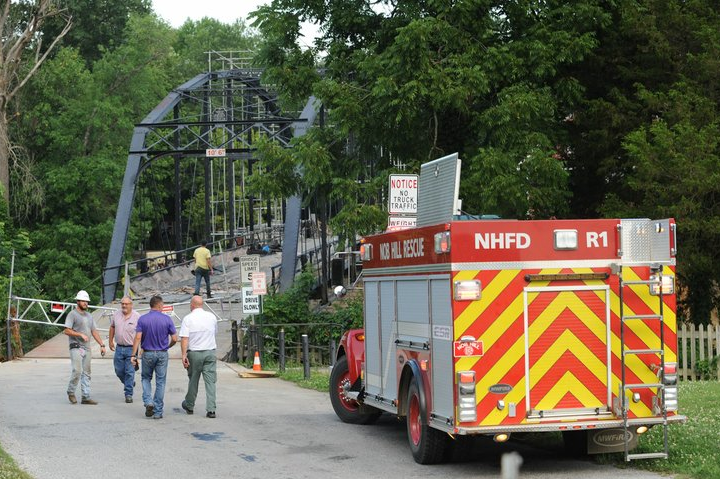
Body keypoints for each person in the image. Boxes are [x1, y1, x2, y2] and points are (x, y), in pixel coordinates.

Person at [131, 295, 177, 419]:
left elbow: (138, 337)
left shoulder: (143, 319)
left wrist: (133, 355)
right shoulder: (167, 319)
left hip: (147, 353)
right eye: (162, 306)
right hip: (162, 353)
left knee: (146, 378)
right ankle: (157, 412)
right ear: (159, 305)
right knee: (160, 382)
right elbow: (175, 338)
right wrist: (168, 346)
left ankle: (148, 402)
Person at [64, 290, 105, 405]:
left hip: (87, 348)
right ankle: (71, 391)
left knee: (87, 372)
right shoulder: (72, 314)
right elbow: (66, 330)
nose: (86, 303)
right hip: (75, 346)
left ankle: (85, 397)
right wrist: (79, 334)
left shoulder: (89, 316)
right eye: (83, 301)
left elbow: (94, 331)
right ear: (78, 301)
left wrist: (102, 344)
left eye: (87, 301)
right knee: (77, 370)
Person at [180, 295, 218, 418]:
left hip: (194, 353)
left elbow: (185, 338)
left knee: (193, 380)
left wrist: (184, 355)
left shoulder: (188, 319)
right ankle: (211, 409)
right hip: (210, 352)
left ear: (192, 305)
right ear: (202, 304)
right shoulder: (212, 317)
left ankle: (190, 405)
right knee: (210, 382)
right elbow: (214, 332)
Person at [109, 296, 140, 403]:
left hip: (132, 349)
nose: (124, 306)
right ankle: (129, 383)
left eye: (126, 304)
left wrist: (142, 348)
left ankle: (128, 394)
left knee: (130, 372)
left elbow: (141, 333)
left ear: (131, 305)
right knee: (118, 371)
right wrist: (110, 341)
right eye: (122, 303)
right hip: (119, 348)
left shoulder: (137, 317)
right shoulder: (116, 314)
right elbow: (112, 327)